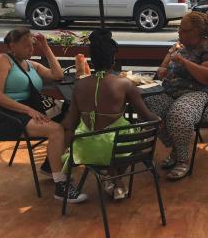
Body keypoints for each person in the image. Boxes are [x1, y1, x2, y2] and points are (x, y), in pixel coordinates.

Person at [0, 27, 86, 203]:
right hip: (5, 114)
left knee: (72, 117)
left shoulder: (31, 64)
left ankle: (50, 165)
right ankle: (60, 186)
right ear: (11, 46)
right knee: (55, 130)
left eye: (32, 45)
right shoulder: (2, 61)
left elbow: (57, 74)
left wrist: (45, 48)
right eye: (26, 46)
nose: (31, 49)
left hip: (29, 109)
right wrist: (28, 110)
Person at [63, 29, 160, 200]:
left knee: (104, 138)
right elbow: (146, 115)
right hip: (119, 149)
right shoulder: (124, 84)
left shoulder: (79, 85)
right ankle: (115, 178)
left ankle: (109, 177)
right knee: (132, 137)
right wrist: (159, 120)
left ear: (92, 60)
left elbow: (69, 123)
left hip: (84, 151)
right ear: (113, 58)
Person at [144, 12, 208, 180]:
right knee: (147, 105)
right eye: (179, 29)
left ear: (196, 32)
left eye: (184, 30)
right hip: (175, 91)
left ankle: (182, 160)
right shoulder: (180, 46)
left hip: (205, 93)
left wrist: (184, 62)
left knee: (179, 114)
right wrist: (164, 66)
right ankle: (177, 148)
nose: (179, 33)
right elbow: (163, 68)